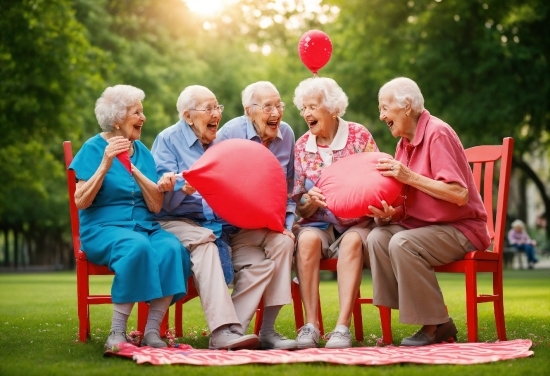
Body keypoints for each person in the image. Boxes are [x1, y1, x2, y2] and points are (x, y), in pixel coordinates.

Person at [152, 85, 292, 350]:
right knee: (205, 241)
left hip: (222, 227)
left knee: (260, 264)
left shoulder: (221, 145)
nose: (216, 114)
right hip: (180, 223)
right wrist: (182, 189)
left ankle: (233, 331)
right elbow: (159, 202)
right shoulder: (168, 140)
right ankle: (221, 331)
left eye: (218, 107)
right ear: (188, 115)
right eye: (209, 109)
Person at [366, 77, 491, 346]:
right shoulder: (404, 145)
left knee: (402, 243)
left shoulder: (437, 133)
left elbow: (459, 194)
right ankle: (402, 321)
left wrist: (409, 176)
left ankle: (436, 324)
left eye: (385, 107)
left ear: (407, 106)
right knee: (376, 238)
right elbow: (410, 203)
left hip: (462, 228)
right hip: (425, 228)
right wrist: (389, 213)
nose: (381, 115)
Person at [69, 85, 191, 350]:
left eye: (142, 112)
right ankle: (116, 332)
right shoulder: (93, 148)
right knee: (137, 248)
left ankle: (151, 332)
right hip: (104, 228)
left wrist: (134, 169)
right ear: (116, 119)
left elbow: (156, 206)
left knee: (172, 249)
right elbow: (81, 200)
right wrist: (105, 164)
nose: (143, 118)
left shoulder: (142, 152)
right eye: (137, 112)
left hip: (144, 227)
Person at [291, 77, 379, 349]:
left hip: (357, 222)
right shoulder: (302, 147)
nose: (306, 113)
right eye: (303, 108)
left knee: (353, 241)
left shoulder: (359, 136)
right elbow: (298, 205)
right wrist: (310, 202)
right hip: (319, 224)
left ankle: (342, 328)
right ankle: (311, 326)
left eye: (313, 107)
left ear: (332, 108)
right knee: (305, 239)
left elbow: (377, 179)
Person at [214, 81, 297, 350]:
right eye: (268, 106)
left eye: (279, 105)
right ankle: (235, 330)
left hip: (271, 226)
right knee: (257, 266)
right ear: (249, 110)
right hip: (237, 228)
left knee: (285, 242)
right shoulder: (230, 133)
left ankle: (268, 330)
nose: (276, 112)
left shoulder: (287, 135)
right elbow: (217, 184)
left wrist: (286, 224)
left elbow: (289, 188)